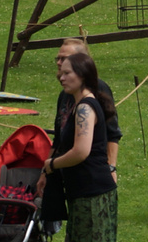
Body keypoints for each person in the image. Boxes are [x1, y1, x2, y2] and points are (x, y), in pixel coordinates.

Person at [43, 52, 119, 241]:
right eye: (61, 73)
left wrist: (52, 164)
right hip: (81, 193)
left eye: (67, 73)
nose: (61, 77)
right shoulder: (79, 105)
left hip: (92, 193)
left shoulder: (85, 107)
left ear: (82, 75)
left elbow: (81, 152)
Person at [52, 40, 122, 174]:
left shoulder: (97, 90)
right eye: (58, 58)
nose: (59, 63)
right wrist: (46, 171)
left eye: (64, 59)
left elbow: (112, 133)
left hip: (91, 173)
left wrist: (111, 168)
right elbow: (58, 138)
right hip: (66, 171)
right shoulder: (65, 94)